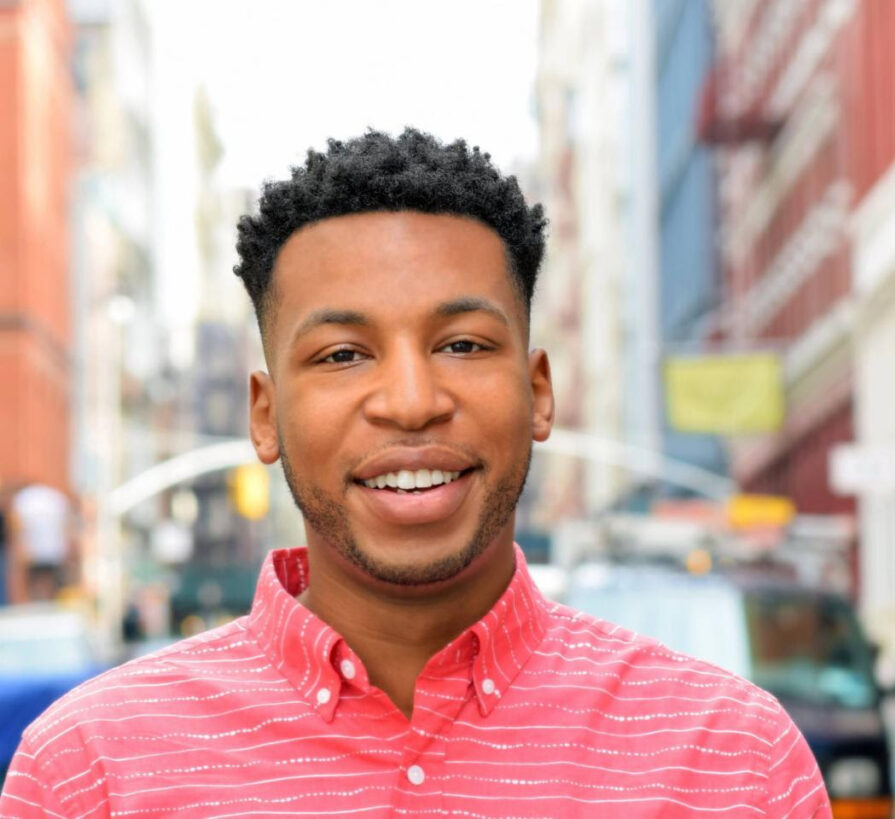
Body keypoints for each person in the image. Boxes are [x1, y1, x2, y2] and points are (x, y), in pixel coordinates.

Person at [0, 129, 831, 817]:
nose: (409, 401)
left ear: (538, 391)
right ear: (265, 414)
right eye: (342, 354)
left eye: (463, 344)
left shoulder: (732, 758)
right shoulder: (87, 772)